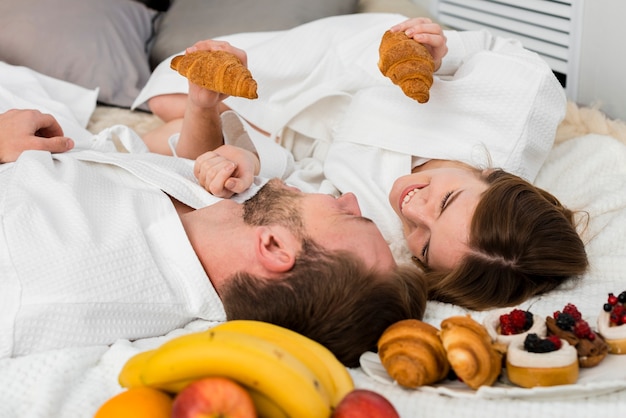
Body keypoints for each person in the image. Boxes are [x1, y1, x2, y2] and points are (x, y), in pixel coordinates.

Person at [135, 14, 589, 311]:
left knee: (172, 121)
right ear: (492, 175)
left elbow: (305, 182)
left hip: (311, 128)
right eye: (445, 202)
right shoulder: (519, 105)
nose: (411, 209)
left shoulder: (386, 232)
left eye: (425, 244)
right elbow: (499, 48)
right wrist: (440, 53)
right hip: (351, 63)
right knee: (164, 92)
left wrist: (250, 159)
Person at [0, 103, 427, 367]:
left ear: (275, 247)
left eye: (351, 218)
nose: (349, 198)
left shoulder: (40, 285)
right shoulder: (225, 214)